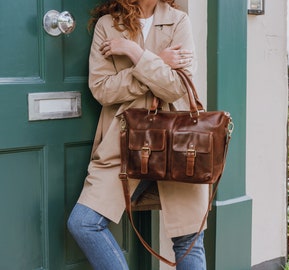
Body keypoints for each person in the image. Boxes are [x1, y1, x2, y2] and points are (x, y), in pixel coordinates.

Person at [67, 0, 209, 269]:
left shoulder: (179, 21)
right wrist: (157, 64)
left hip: (178, 142)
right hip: (121, 142)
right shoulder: (108, 25)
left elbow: (177, 87)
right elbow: (103, 90)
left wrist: (135, 52)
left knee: (189, 238)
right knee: (83, 223)